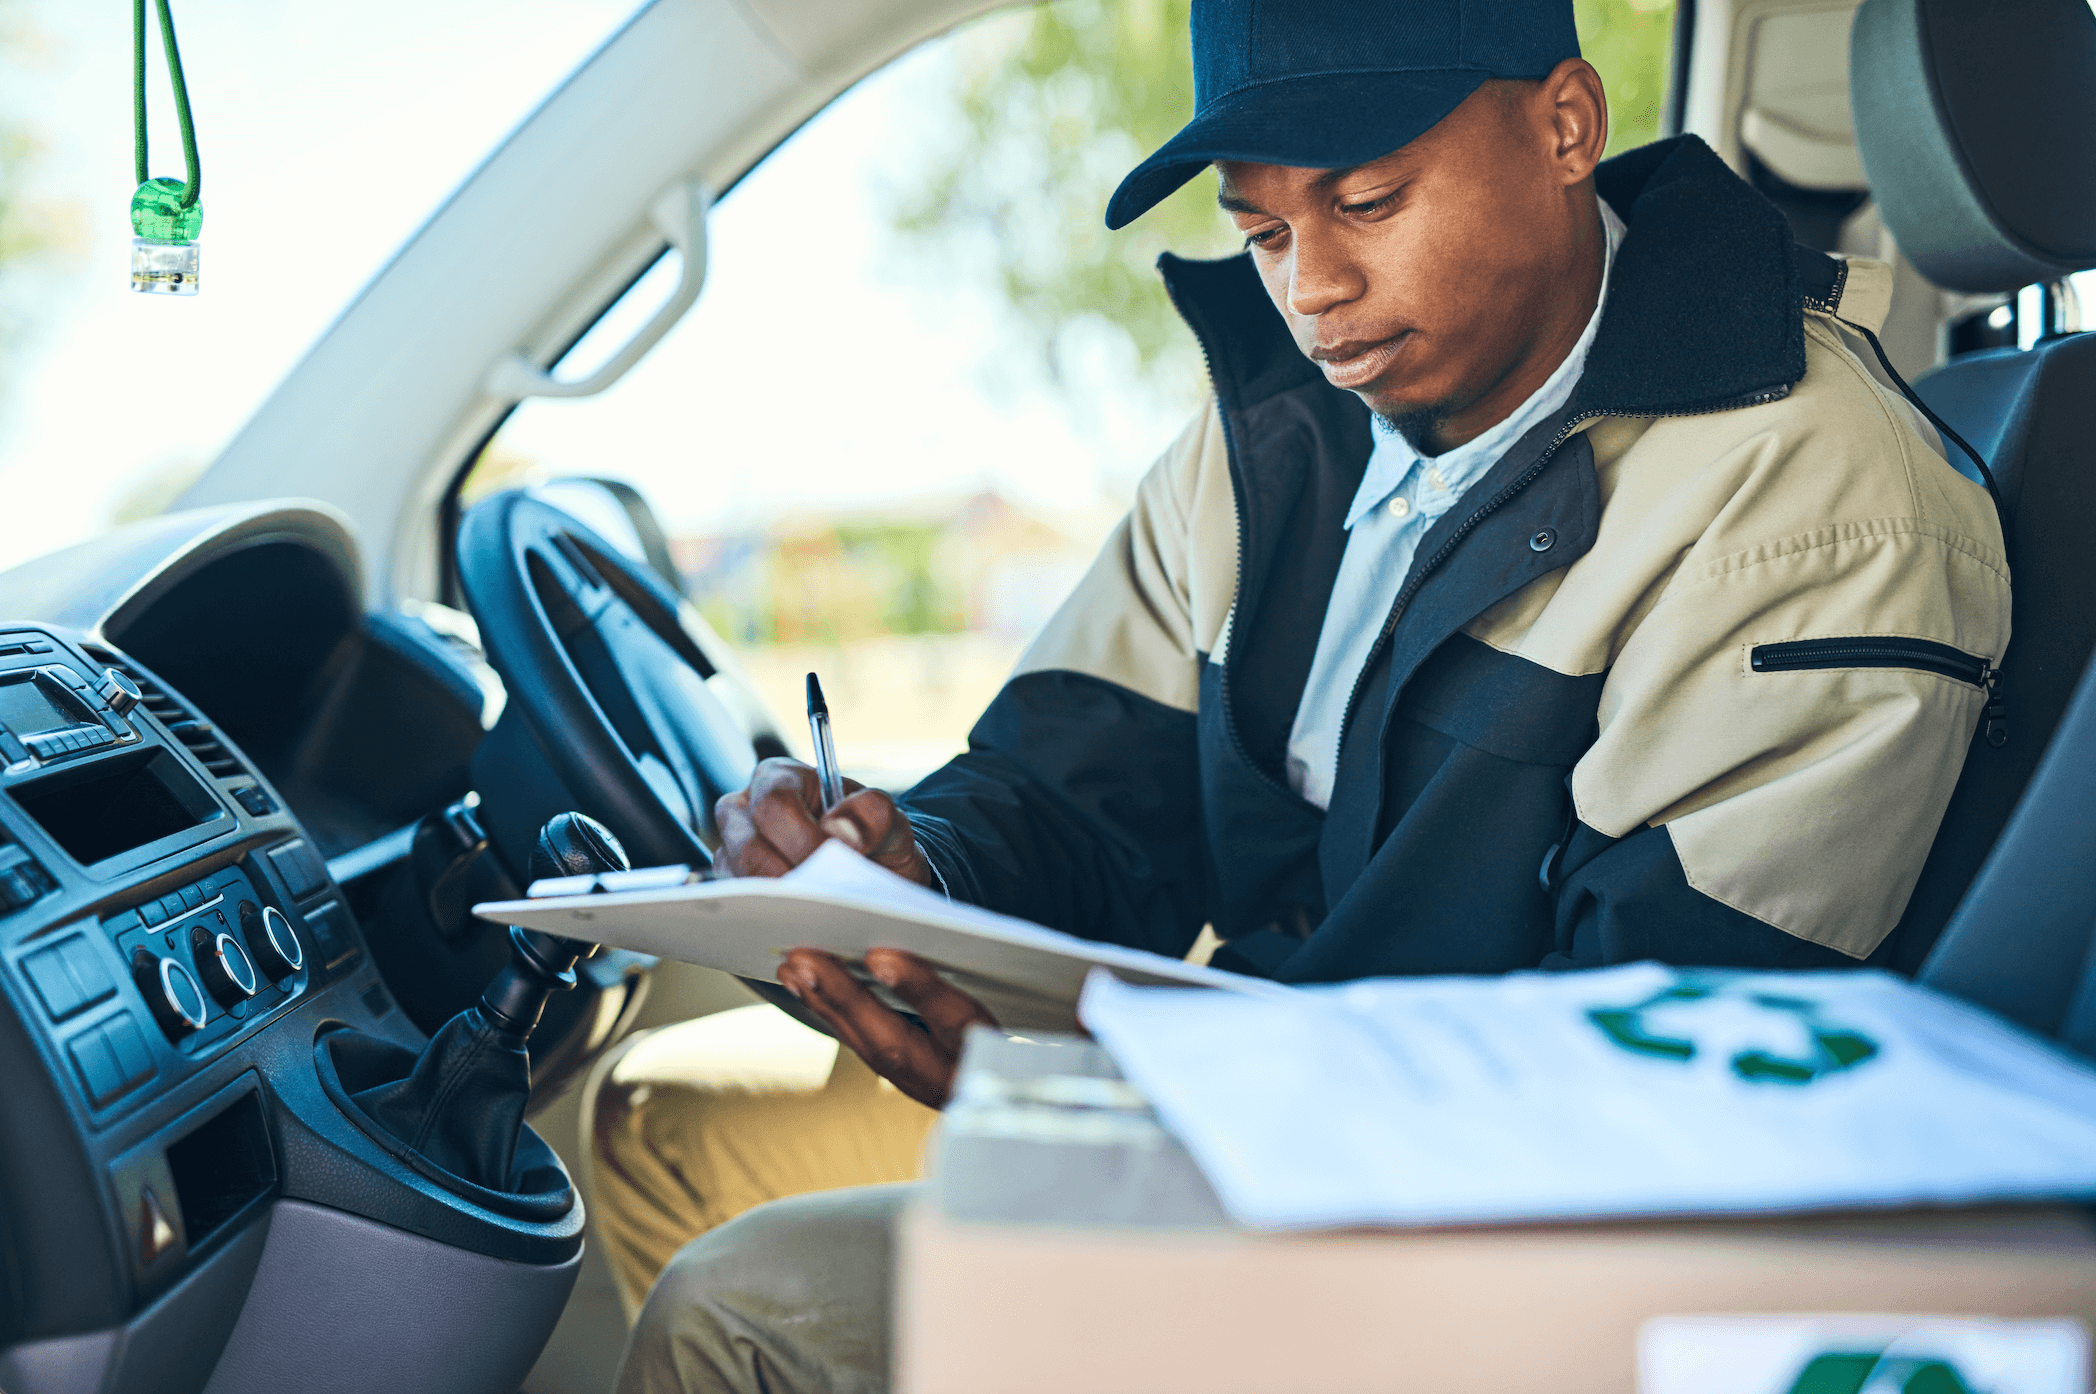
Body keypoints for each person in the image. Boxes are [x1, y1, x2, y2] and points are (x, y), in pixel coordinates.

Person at [608, 0, 2010, 1387]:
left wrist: (1126, 1108)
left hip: (1481, 1244)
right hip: (1248, 1115)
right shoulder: (1276, 431)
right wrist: (903, 873)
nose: (1311, 288)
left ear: (1566, 126)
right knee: (661, 1119)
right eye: (1263, 230)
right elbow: (1071, 793)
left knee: (744, 1308)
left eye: (1370, 200)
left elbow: (1646, 1098)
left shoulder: (1813, 507)